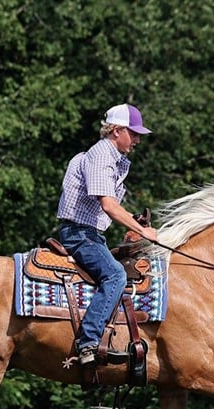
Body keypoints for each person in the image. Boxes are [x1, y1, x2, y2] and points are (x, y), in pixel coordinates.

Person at [56, 103, 158, 366]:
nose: (137, 140)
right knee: (115, 275)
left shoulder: (109, 157)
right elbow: (109, 206)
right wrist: (143, 231)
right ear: (116, 131)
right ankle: (88, 343)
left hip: (88, 233)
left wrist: (132, 219)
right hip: (80, 235)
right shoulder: (102, 155)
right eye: (133, 134)